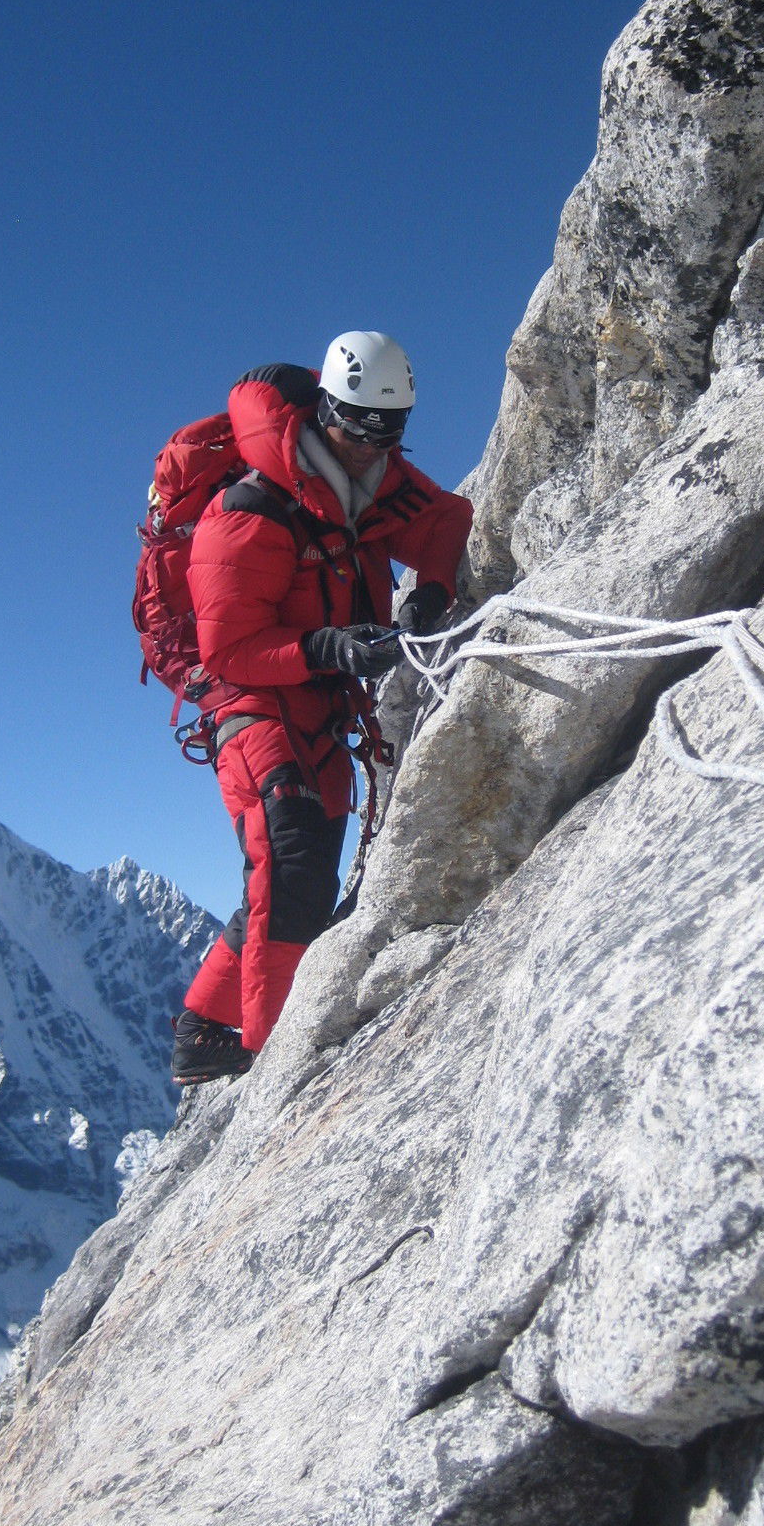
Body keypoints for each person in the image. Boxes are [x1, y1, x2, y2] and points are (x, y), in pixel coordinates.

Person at [172, 333, 473, 1084]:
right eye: (361, 431)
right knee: (296, 864)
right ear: (327, 415)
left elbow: (443, 518)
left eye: (390, 433)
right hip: (253, 703)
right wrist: (330, 649)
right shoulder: (248, 514)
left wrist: (432, 589)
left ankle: (203, 1030)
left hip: (318, 705)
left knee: (293, 874)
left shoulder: (367, 485)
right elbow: (228, 650)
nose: (376, 449)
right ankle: (280, 1056)